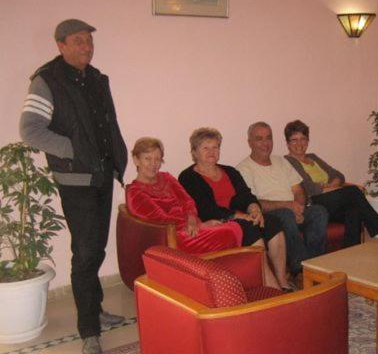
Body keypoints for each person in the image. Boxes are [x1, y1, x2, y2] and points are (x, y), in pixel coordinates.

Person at [19, 19, 128, 354]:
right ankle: (89, 330)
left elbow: (106, 124)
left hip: (101, 175)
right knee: (85, 253)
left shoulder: (96, 78)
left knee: (96, 249)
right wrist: (73, 150)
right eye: (79, 40)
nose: (87, 46)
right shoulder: (47, 80)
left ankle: (95, 309)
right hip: (75, 180)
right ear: (61, 45)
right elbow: (30, 130)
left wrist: (115, 159)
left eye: (89, 41)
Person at [178, 128, 293, 291]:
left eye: (215, 147)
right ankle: (272, 288)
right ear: (195, 152)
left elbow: (246, 194)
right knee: (249, 227)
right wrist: (238, 216)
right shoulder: (188, 177)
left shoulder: (230, 171)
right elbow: (204, 209)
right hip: (217, 222)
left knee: (272, 222)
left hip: (242, 218)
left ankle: (283, 281)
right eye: (206, 148)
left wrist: (254, 208)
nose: (212, 152)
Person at [283, 120, 378, 249]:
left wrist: (330, 186)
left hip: (330, 199)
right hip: (314, 203)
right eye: (294, 139)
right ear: (287, 143)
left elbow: (338, 175)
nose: (299, 143)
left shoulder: (312, 157)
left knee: (354, 210)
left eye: (303, 139)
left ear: (308, 141)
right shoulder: (288, 161)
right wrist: (338, 188)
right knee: (352, 191)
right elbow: (310, 189)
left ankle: (351, 252)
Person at [126, 137, 245, 262]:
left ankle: (218, 270)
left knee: (234, 226)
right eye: (148, 159)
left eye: (157, 159)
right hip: (171, 238)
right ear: (136, 160)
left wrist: (193, 219)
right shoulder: (135, 192)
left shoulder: (166, 178)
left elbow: (187, 201)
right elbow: (161, 220)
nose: (153, 164)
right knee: (229, 231)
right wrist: (201, 226)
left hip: (191, 227)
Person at [237, 122, 329, 275]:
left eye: (268, 138)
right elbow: (253, 203)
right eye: (259, 139)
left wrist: (298, 208)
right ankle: (300, 270)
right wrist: (288, 206)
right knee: (285, 215)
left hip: (293, 210)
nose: (265, 143)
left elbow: (298, 190)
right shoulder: (243, 169)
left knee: (319, 211)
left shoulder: (281, 161)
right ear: (250, 142)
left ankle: (317, 267)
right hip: (269, 217)